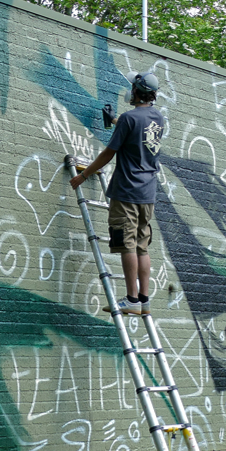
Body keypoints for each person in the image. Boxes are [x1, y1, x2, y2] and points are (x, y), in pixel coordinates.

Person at [70, 71, 164, 315]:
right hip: (147, 194)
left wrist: (83, 175)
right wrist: (115, 121)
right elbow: (137, 131)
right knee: (142, 247)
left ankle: (131, 299)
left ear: (136, 91)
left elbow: (108, 153)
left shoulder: (129, 119)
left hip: (126, 192)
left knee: (127, 245)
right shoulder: (157, 118)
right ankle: (143, 300)